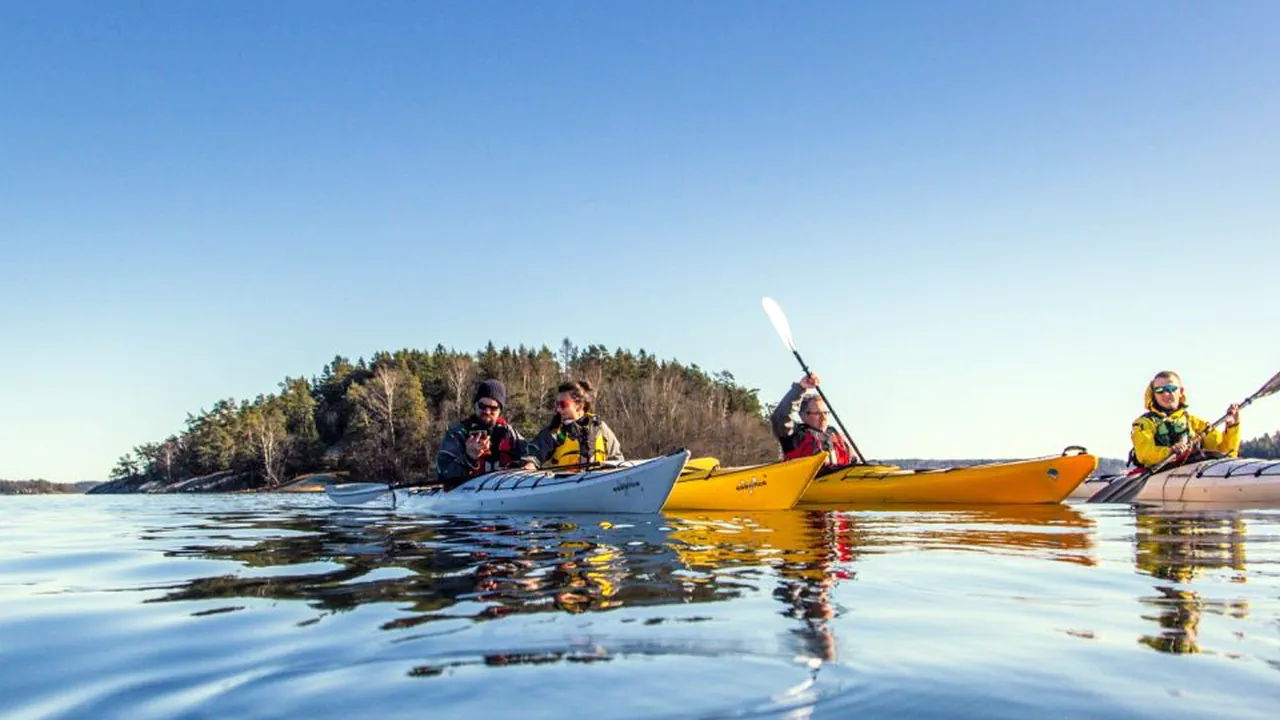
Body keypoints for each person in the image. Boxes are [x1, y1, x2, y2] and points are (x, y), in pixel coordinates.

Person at [1130, 370, 1241, 470]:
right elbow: (1144, 454)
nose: (1166, 394)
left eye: (1171, 389)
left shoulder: (1194, 423)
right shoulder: (1143, 423)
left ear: (1181, 391)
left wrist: (1232, 426)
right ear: (1153, 394)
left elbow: (1226, 453)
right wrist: (1170, 452)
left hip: (1193, 474)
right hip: (1160, 475)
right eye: (1159, 390)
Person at [436, 379, 536, 489]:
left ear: (500, 410)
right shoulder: (456, 434)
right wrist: (469, 458)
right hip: (467, 497)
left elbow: (531, 451)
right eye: (482, 406)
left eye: (493, 408)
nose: (487, 412)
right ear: (475, 406)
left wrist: (529, 463)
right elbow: (443, 475)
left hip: (503, 493)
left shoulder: (508, 432)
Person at [528, 380, 624, 468]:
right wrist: (530, 463)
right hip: (567, 483)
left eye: (563, 404)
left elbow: (616, 457)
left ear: (579, 405)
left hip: (599, 480)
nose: (558, 409)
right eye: (557, 404)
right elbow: (535, 452)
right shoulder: (556, 431)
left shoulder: (599, 427)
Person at [770, 372, 856, 468]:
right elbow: (780, 417)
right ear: (802, 416)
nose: (824, 418)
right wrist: (800, 388)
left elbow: (854, 463)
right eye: (817, 413)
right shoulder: (795, 435)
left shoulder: (836, 436)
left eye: (826, 413)